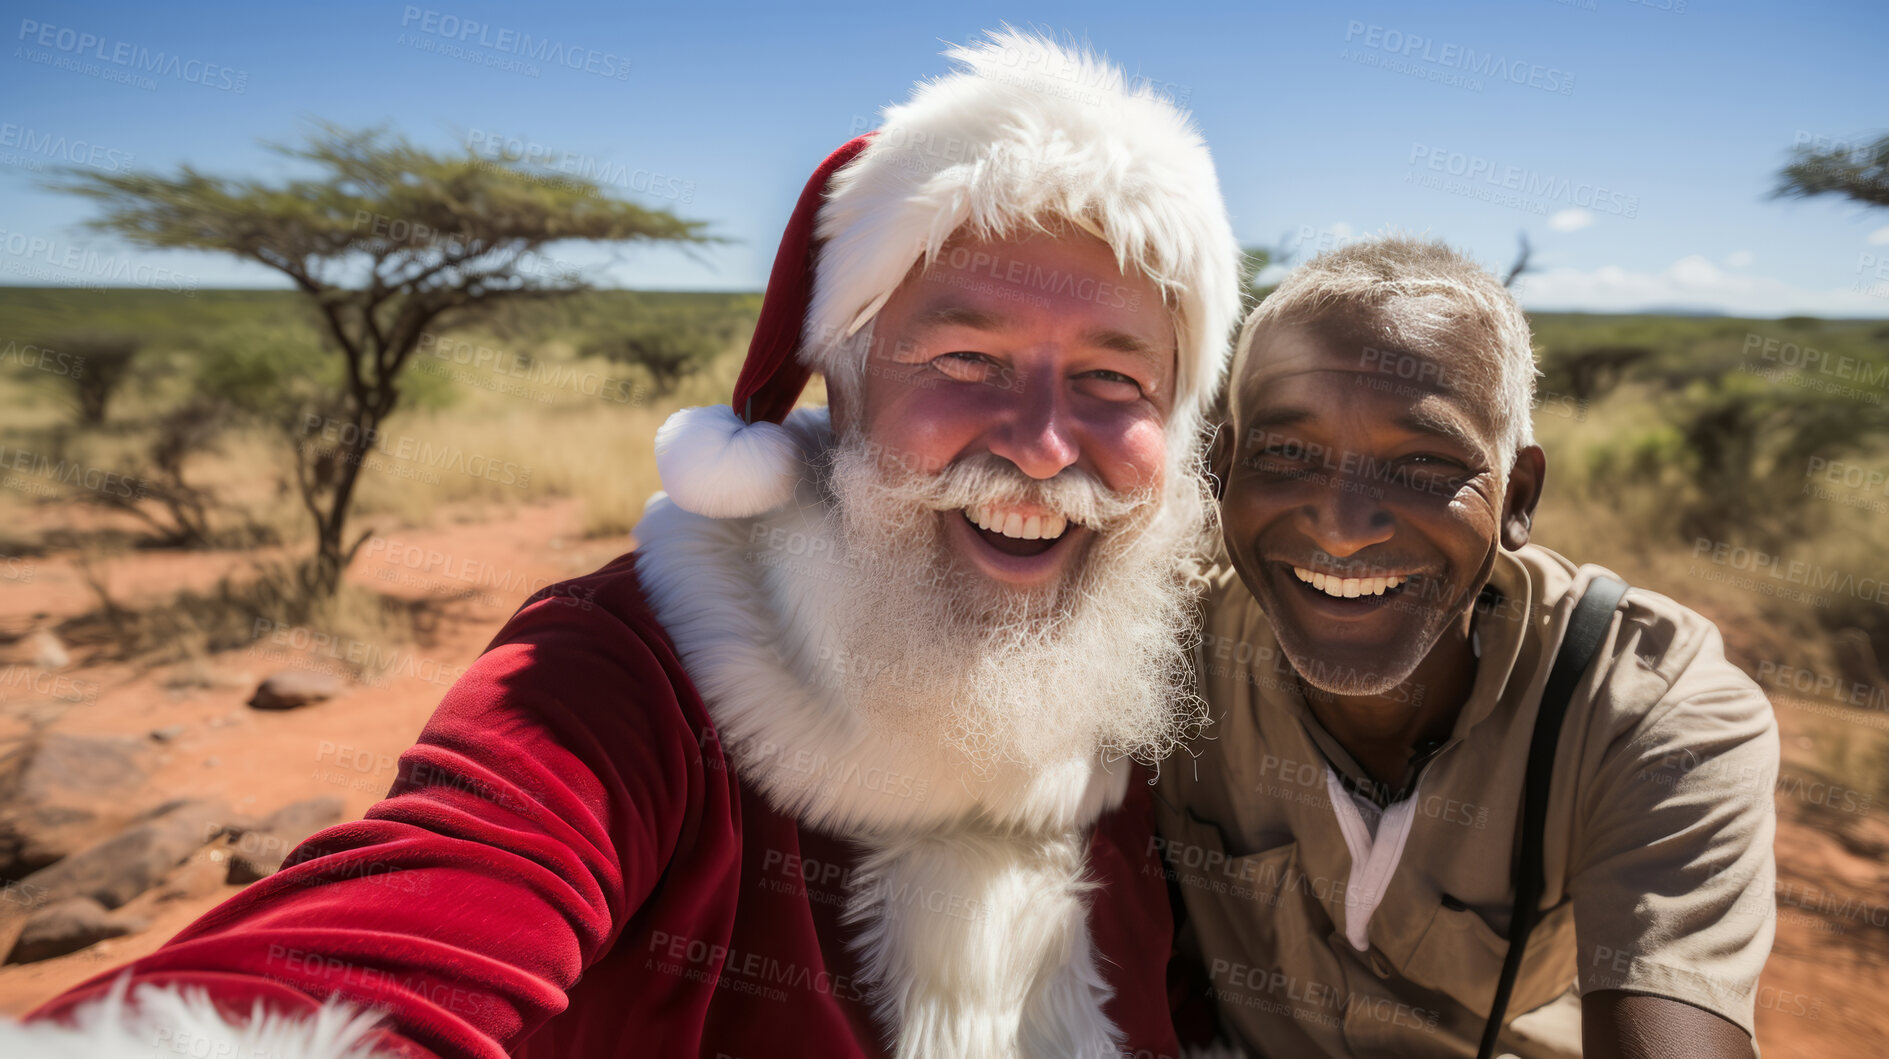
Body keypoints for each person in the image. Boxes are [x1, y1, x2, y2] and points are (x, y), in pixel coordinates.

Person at [6, 30, 1242, 1059]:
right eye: (964, 359)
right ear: (842, 385)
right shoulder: (627, 672)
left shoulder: (1146, 675)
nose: (1039, 445)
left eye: (1111, 379)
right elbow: (404, 934)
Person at [1157, 237, 1778, 1059]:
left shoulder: (1648, 714)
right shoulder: (1157, 651)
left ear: (1516, 496)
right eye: (1288, 454)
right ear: (1221, 467)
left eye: (1422, 465)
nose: (1342, 528)